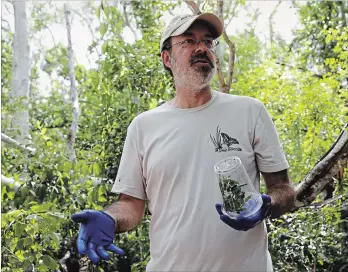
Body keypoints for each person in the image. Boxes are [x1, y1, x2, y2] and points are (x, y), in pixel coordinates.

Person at [72, 12, 296, 271]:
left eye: (208, 41)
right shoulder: (144, 127)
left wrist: (266, 205)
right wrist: (109, 218)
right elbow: (131, 204)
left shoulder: (250, 112)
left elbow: (284, 190)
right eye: (189, 41)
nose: (202, 48)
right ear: (167, 58)